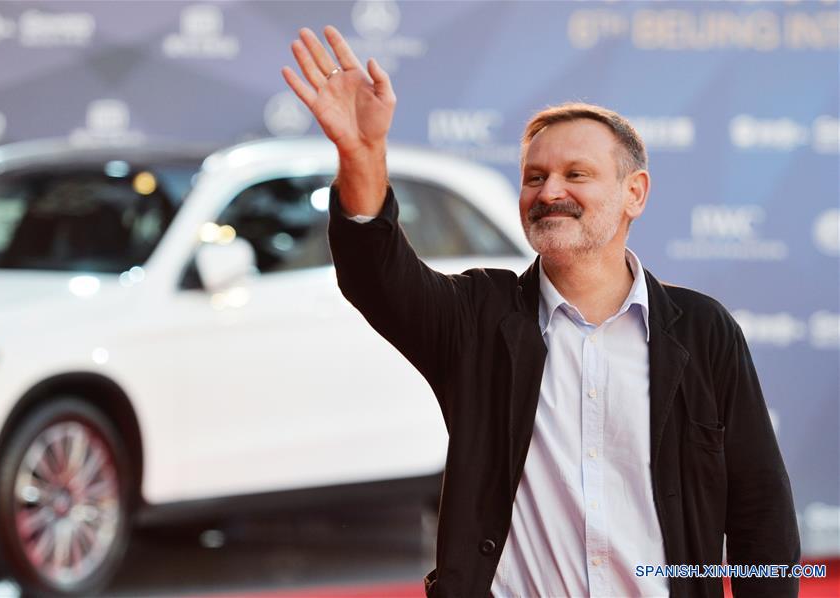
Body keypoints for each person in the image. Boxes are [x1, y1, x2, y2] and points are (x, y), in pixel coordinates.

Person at [282, 26, 800, 598]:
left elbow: (762, 514)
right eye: (534, 176)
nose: (550, 190)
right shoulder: (475, 318)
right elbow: (376, 276)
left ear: (635, 193)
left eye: (576, 174)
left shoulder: (704, 331)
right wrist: (362, 155)